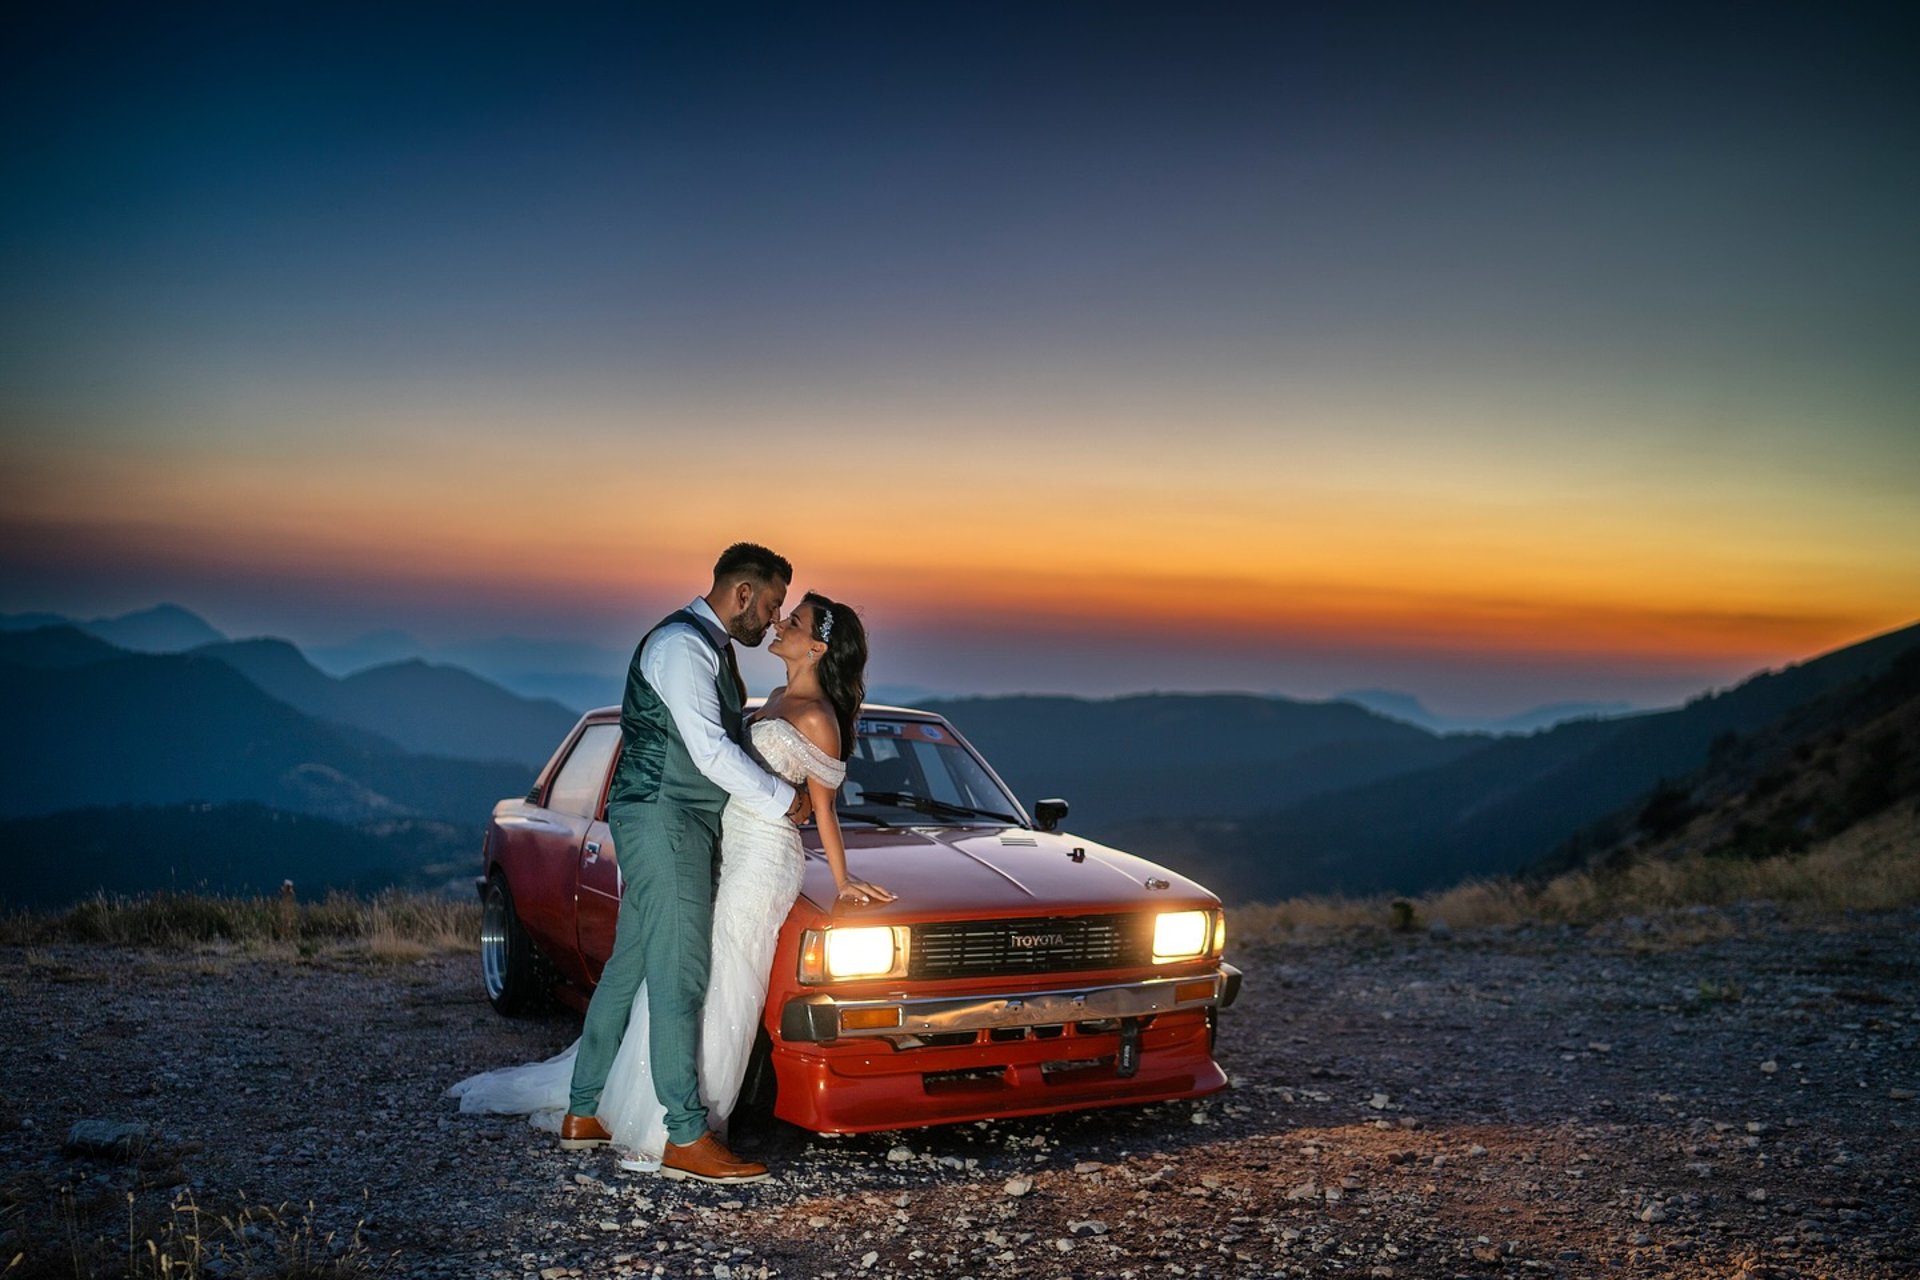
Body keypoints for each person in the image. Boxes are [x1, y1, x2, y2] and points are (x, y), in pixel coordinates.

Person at [449, 551, 890, 1183]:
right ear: (742, 594)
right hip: (668, 819)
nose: (772, 621)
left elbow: (804, 790)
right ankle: (685, 1132)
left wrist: (839, 874)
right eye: (771, 606)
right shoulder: (684, 648)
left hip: (704, 833)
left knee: (630, 969)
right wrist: (778, 798)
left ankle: (585, 1111)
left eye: (787, 616)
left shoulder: (717, 655)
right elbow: (710, 751)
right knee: (683, 977)